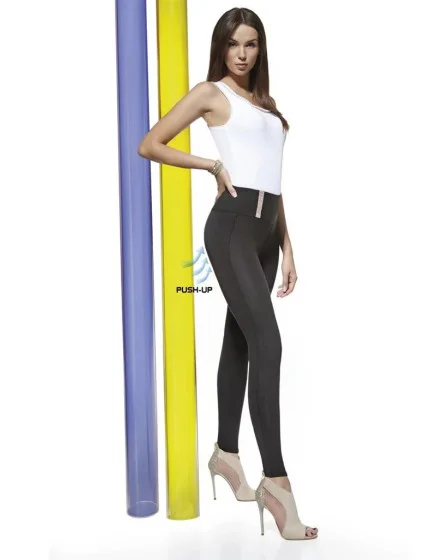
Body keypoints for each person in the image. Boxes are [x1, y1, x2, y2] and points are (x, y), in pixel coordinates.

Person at [138, 7, 318, 541]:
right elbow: (151, 143)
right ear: (221, 47)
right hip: (233, 227)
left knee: (240, 339)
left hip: (266, 231)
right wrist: (211, 166)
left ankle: (226, 453)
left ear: (261, 49)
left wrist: (287, 246)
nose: (243, 53)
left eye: (252, 44)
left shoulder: (265, 104)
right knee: (268, 342)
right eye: (234, 44)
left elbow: (274, 180)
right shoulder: (210, 93)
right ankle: (276, 483)